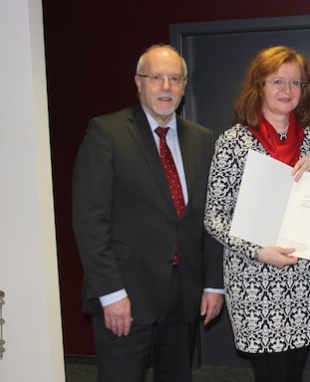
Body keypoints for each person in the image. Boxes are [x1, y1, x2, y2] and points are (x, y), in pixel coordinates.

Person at [72, 44, 224, 382]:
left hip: (183, 294)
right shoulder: (106, 133)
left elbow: (209, 219)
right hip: (126, 294)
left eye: (174, 78)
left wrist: (215, 284)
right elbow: (89, 222)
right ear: (138, 82)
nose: (166, 87)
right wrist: (111, 293)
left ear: (185, 86)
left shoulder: (202, 139)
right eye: (156, 78)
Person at [204, 46, 310, 382]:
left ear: (305, 91)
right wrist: (258, 251)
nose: (287, 90)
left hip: (302, 280)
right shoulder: (233, 142)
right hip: (254, 279)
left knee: (295, 372)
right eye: (277, 81)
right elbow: (214, 216)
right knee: (271, 375)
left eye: (295, 83)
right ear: (259, 86)